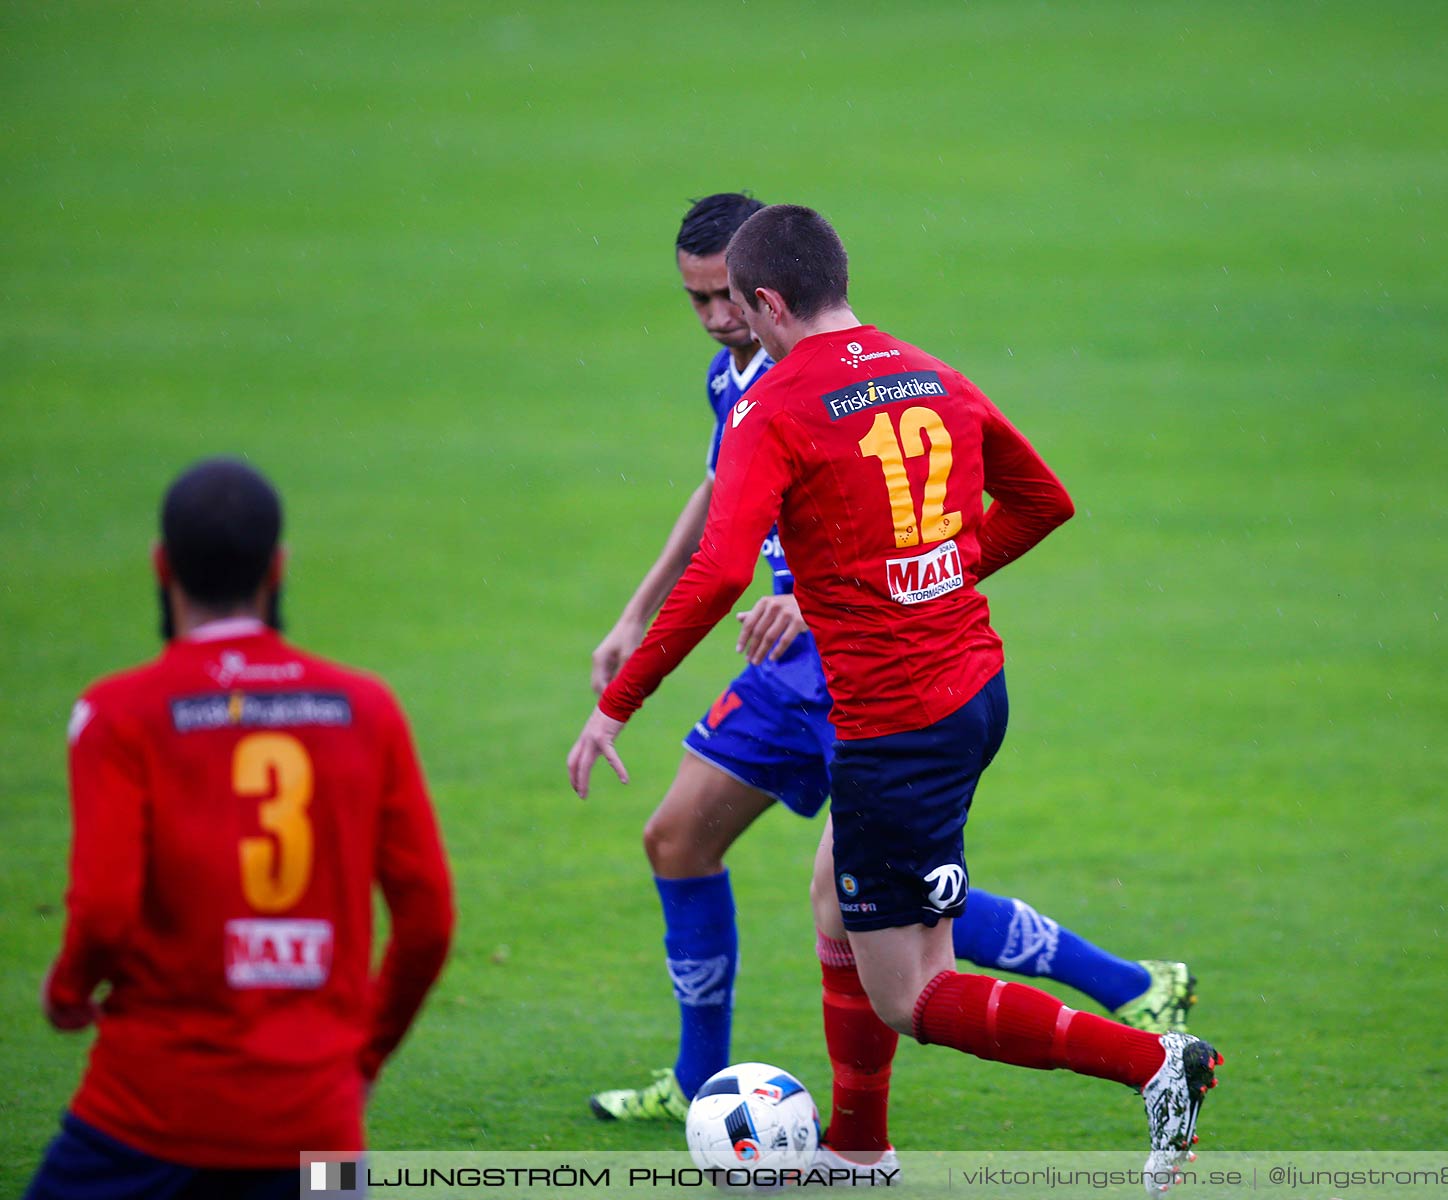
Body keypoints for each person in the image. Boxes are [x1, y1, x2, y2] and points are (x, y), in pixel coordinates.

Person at [569, 206, 1222, 1191]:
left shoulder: (775, 405)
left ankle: (1154, 1064)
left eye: (736, 304)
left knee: (916, 993)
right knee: (840, 897)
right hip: (973, 691)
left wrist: (619, 700)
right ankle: (859, 1150)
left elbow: (717, 575)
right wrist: (950, 567)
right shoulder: (929, 372)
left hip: (896, 725)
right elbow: (1046, 500)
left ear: (770, 302)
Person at [27, 459, 456, 1200]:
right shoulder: (366, 709)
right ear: (278, 567)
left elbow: (100, 909)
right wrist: (362, 1058)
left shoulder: (119, 714)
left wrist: (68, 990)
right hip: (313, 1121)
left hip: (143, 1114)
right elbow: (428, 920)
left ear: (161, 567)